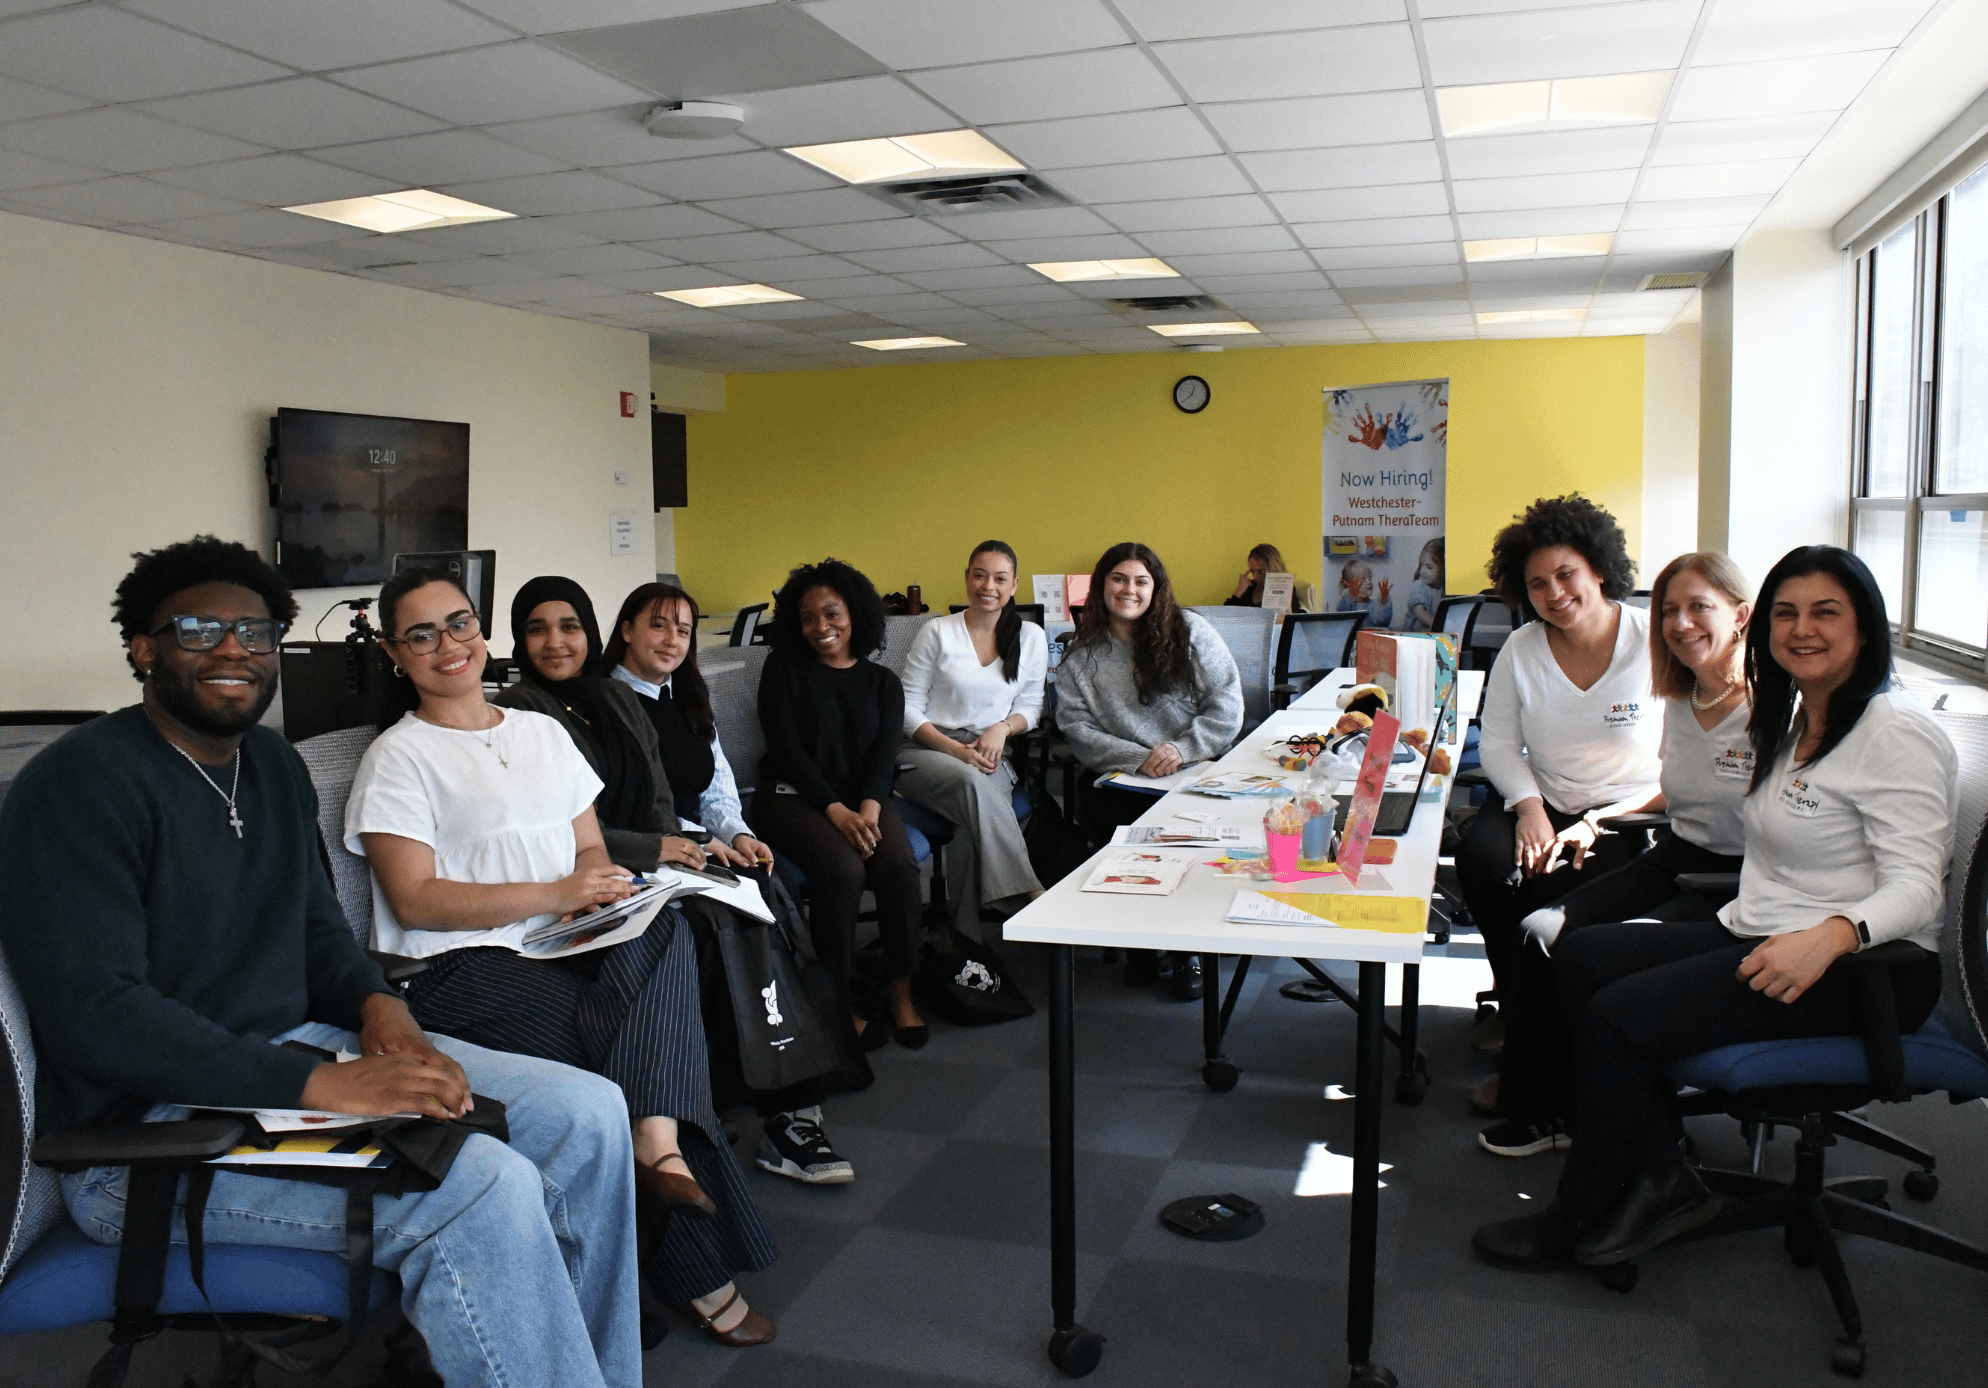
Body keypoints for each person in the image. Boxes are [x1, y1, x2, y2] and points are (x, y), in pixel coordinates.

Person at [0, 536, 643, 1388]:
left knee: (588, 1114)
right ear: (142, 648)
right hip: (148, 1129)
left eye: (257, 632)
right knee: (476, 1183)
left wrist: (384, 1011)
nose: (234, 649)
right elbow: (97, 1015)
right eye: (198, 629)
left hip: (296, 1054)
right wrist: (323, 1086)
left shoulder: (269, 765)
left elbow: (316, 930)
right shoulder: (78, 786)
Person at [1475, 546, 1954, 1271]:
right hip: (1764, 929)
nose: (1802, 629)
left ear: (1866, 625)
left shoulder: (1893, 733)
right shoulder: (1798, 719)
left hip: (1863, 968)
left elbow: (1920, 888)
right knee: (1579, 955)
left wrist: (1830, 936)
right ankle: (1661, 1170)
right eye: (1788, 613)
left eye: (1826, 612)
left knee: (1618, 1017)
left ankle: (1586, 1208)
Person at [347, 568, 777, 1348]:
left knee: (666, 925)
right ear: (393, 653)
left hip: (567, 940)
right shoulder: (398, 758)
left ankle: (652, 1158)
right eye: (422, 634)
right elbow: (414, 900)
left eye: (459, 623)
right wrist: (555, 892)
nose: (449, 645)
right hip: (460, 968)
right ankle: (690, 1245)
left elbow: (588, 845)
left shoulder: (538, 731)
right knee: (630, 1065)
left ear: (481, 631)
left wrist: (603, 891)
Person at [559, 578, 857, 1188]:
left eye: (683, 630)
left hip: (701, 848)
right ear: (625, 630)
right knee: (734, 921)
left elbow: (716, 788)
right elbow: (631, 813)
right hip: (647, 858)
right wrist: (702, 842)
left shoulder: (687, 698)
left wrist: (737, 833)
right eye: (658, 625)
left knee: (766, 891)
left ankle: (792, 1082)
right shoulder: (606, 705)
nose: (671, 640)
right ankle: (773, 1099)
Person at [1475, 551, 1754, 1137]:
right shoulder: (1683, 693)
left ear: (1742, 617)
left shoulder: (1774, 711)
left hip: (1733, 879)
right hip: (1664, 845)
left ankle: (1563, 1106)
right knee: (1531, 919)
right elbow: (1672, 789)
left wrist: (1603, 819)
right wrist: (1580, 819)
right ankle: (1537, 1089)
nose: (1680, 624)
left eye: (1699, 608)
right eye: (1670, 611)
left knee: (1580, 947)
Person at [1457, 494, 1663, 1158]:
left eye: (1566, 574)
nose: (1554, 593)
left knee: (1565, 902)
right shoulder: (1521, 649)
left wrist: (1601, 822)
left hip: (1631, 813)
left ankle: (1550, 1050)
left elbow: (1686, 762)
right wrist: (1530, 809)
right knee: (1485, 864)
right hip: (1538, 798)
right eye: (1538, 583)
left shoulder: (1655, 639)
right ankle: (1519, 1021)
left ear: (1599, 568)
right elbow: (1497, 744)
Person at [1056, 541, 1245, 1001]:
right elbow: (1074, 726)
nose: (1129, 589)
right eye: (1118, 579)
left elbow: (1227, 704)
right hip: (1122, 774)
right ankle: (1142, 941)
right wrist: (1138, 759)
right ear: (1101, 586)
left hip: (1192, 767)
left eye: (1142, 581)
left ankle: (1185, 951)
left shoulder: (1191, 632)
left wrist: (1180, 750)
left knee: (1182, 832)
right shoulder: (1082, 656)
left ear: (1156, 588)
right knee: (1110, 820)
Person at [753, 559, 929, 1049]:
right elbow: (786, 751)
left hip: (862, 800)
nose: (821, 628)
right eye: (808, 618)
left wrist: (870, 807)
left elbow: (882, 755)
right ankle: (834, 1004)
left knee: (896, 865)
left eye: (832, 614)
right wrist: (836, 811)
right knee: (844, 870)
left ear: (856, 614)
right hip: (791, 797)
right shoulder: (783, 670)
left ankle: (901, 992)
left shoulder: (882, 682)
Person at [897, 541, 1048, 934]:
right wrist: (954, 751)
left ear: (1014, 585)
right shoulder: (937, 632)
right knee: (970, 783)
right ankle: (1028, 894)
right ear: (966, 578)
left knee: (968, 824)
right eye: (979, 575)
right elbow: (906, 709)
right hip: (926, 748)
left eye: (1000, 578)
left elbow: (1032, 706)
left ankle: (965, 944)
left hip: (990, 750)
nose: (988, 586)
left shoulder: (1030, 637)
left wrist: (1002, 728)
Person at [1226, 542, 1305, 611]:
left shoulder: (1286, 589)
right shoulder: (1249, 587)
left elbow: (1295, 620)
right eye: (1252, 571)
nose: (1255, 577)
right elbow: (1223, 617)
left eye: (1260, 571)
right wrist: (1238, 592)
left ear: (1272, 569)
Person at [1403, 537, 1446, 632]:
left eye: (1429, 567)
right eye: (1422, 565)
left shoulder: (1443, 590)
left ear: (1443, 569)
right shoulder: (1418, 586)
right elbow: (1419, 611)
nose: (1422, 571)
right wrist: (1439, 625)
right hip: (1413, 636)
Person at [1335, 558, 1393, 628]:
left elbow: (1383, 622)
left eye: (1370, 577)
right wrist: (1350, 593)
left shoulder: (1374, 606)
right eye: (1363, 579)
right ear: (1349, 585)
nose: (1369, 582)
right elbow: (1341, 614)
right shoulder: (1348, 604)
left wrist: (1383, 602)